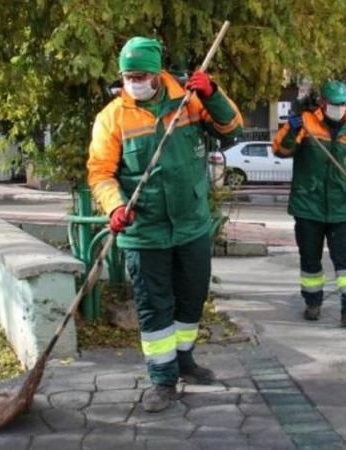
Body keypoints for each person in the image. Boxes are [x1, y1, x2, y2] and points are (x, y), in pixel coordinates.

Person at [87, 36, 243, 412]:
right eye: (128, 75)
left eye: (141, 74)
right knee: (154, 306)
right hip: (144, 232)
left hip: (191, 225)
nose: (134, 81)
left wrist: (213, 94)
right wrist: (114, 207)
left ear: (157, 74)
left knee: (191, 297)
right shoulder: (113, 117)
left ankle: (184, 361)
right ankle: (162, 379)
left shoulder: (188, 101)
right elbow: (100, 173)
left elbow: (232, 130)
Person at [272, 80, 346, 328]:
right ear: (323, 103)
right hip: (308, 204)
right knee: (310, 259)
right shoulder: (305, 122)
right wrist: (290, 131)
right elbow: (280, 151)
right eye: (334, 104)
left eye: (343, 104)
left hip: (342, 206)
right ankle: (313, 302)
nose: (339, 108)